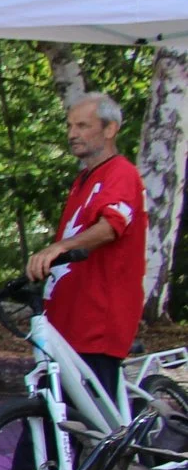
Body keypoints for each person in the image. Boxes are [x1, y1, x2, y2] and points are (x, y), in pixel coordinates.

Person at [26, 91, 144, 403]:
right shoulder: (84, 180)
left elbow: (111, 227)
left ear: (110, 129)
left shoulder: (121, 173)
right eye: (69, 126)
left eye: (82, 125)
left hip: (97, 324)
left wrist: (58, 248)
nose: (72, 134)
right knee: (54, 418)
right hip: (67, 321)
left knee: (90, 428)